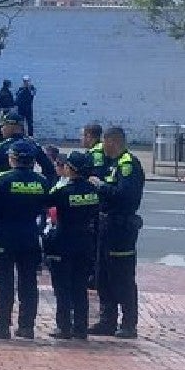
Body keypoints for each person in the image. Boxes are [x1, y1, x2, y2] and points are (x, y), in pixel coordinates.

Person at [0, 140, 50, 340]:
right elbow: (45, 207)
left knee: (4, 283)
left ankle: (2, 325)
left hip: (4, 235)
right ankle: (27, 326)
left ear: (12, 159)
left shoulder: (1, 179)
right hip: (30, 235)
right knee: (29, 282)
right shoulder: (41, 182)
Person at [88, 126, 145, 338]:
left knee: (122, 275)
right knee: (103, 275)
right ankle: (107, 320)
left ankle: (129, 323)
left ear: (113, 141)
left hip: (121, 228)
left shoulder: (128, 164)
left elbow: (125, 196)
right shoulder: (113, 164)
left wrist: (101, 186)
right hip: (106, 225)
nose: (103, 147)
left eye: (105, 143)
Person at [44, 151, 101, 339]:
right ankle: (81, 327)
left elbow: (45, 201)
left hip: (64, 241)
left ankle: (64, 327)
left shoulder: (63, 192)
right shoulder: (94, 191)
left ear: (71, 169)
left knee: (62, 286)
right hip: (86, 242)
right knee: (80, 287)